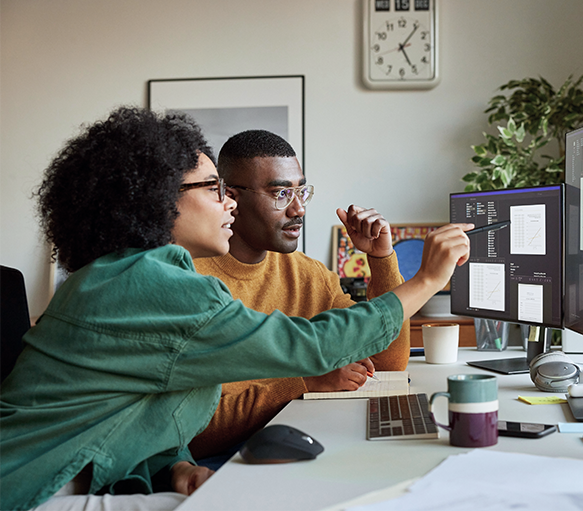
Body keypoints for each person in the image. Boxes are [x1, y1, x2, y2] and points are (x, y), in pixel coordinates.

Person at [0, 107, 472, 511]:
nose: (227, 203)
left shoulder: (127, 275)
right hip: (28, 496)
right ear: (159, 200)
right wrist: (427, 280)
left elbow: (135, 414)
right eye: (213, 189)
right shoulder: (150, 283)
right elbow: (309, 346)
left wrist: (176, 469)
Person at [189, 130, 409, 458]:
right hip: (220, 461)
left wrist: (381, 260)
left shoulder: (306, 273)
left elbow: (387, 361)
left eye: (301, 192)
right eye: (281, 194)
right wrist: (305, 382)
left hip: (295, 436)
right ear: (231, 198)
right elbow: (192, 430)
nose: (298, 210)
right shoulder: (188, 280)